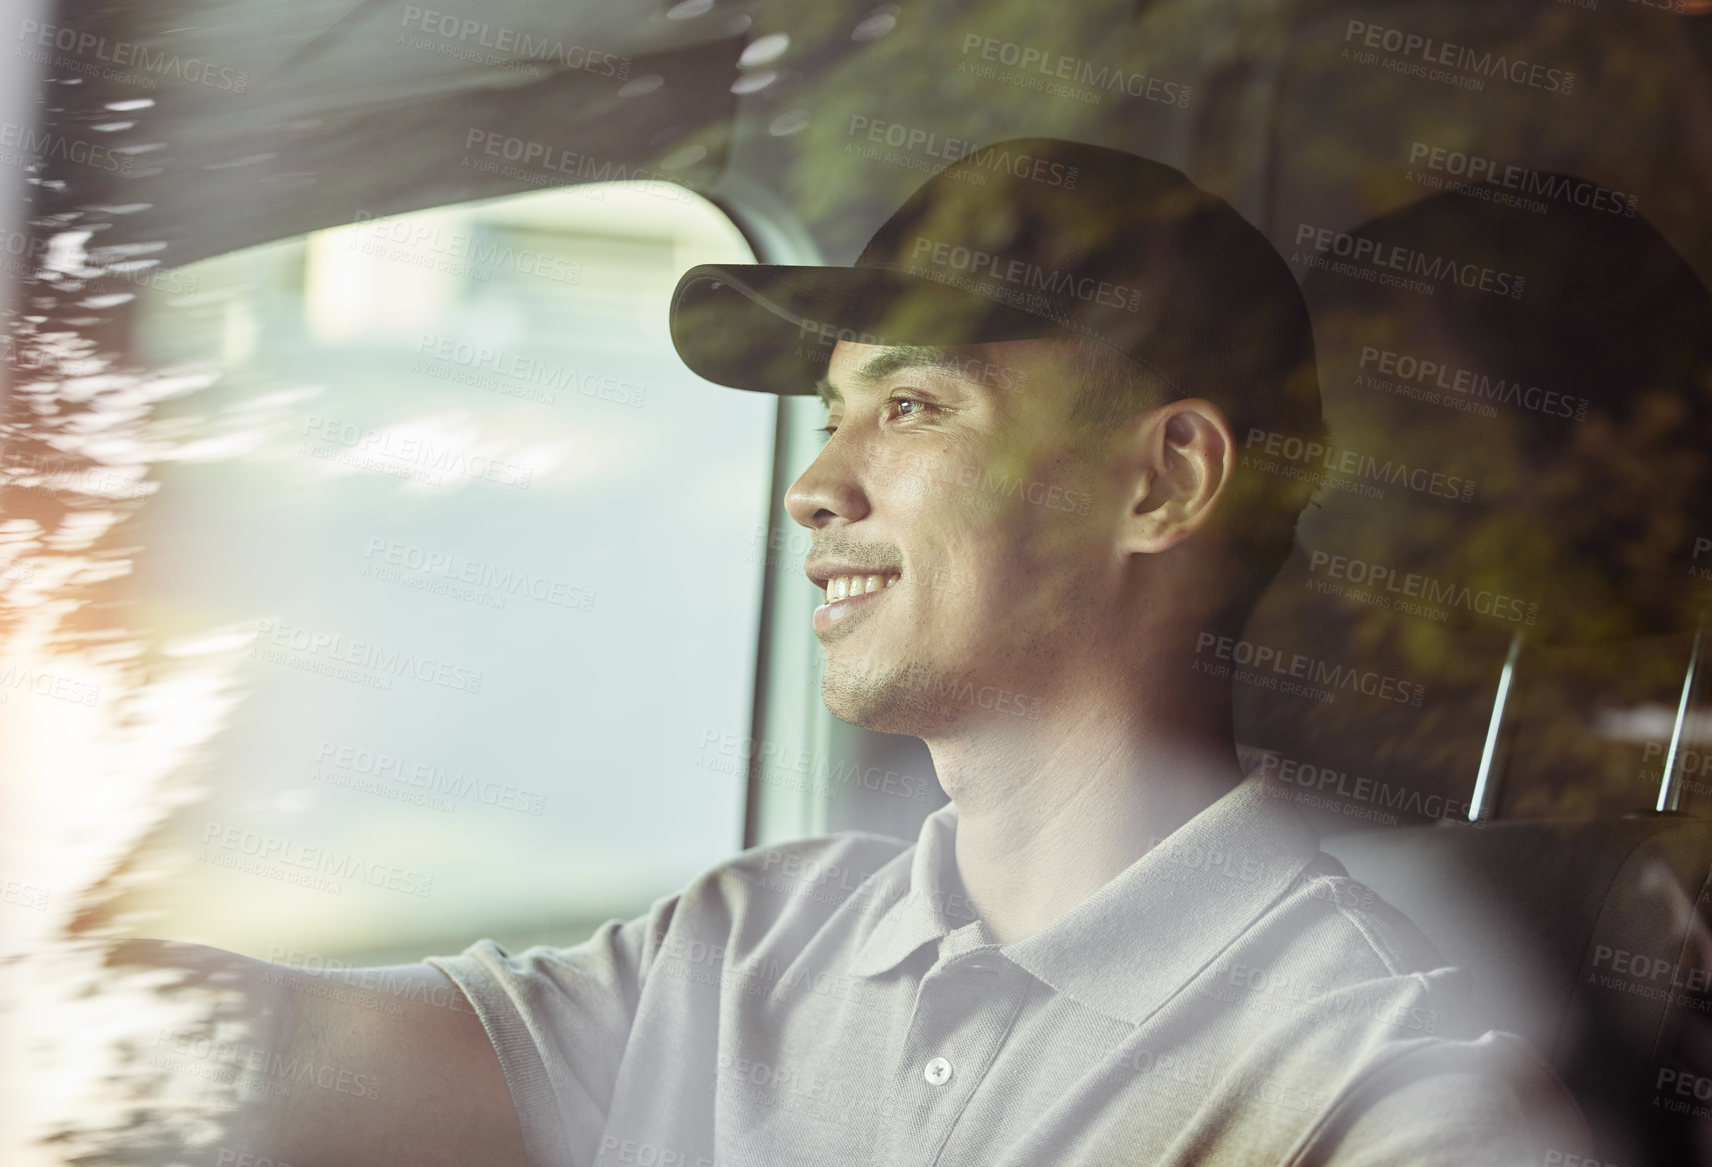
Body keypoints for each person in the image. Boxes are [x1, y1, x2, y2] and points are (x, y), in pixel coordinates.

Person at [112, 138, 1588, 1167]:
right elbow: (247, 1067)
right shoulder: (754, 943)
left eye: (917, 407)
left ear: (1163, 484)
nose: (816, 486)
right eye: (832, 413)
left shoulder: (1374, 1072)